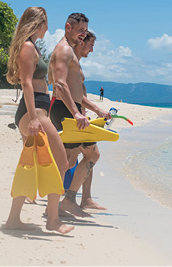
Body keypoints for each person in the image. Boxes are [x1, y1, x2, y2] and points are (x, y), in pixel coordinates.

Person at [3, 7, 73, 234]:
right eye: (45, 23)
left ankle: (14, 219)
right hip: (33, 113)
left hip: (38, 110)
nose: (48, 27)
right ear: (37, 23)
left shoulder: (32, 47)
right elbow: (26, 83)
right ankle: (52, 219)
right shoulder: (27, 47)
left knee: (31, 166)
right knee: (61, 162)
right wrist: (33, 118)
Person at [48, 13, 111, 217]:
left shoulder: (71, 52)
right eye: (80, 30)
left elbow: (75, 91)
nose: (83, 35)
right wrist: (76, 113)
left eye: (85, 31)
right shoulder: (65, 50)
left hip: (69, 109)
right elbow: (59, 84)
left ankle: (67, 201)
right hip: (64, 110)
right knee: (86, 155)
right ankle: (65, 202)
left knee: (69, 159)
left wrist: (96, 110)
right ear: (68, 27)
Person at [75, 32, 107, 210]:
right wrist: (98, 109)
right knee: (91, 155)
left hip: (79, 115)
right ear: (82, 42)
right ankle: (69, 199)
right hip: (75, 117)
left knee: (83, 156)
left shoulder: (76, 62)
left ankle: (85, 198)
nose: (92, 50)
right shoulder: (72, 62)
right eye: (91, 45)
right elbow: (73, 94)